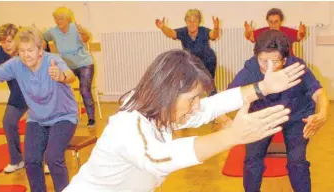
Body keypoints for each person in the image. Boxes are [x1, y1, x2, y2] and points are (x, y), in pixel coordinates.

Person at [63, 48, 306, 192]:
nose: (196, 105)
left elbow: (209, 107)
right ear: (168, 92)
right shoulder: (128, 125)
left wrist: (263, 87)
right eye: (192, 98)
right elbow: (159, 158)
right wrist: (232, 136)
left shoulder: (158, 109)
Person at [228, 30, 329, 192]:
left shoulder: (296, 66)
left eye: (274, 62)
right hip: (263, 117)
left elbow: (319, 93)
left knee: (297, 161)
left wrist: (322, 114)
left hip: (296, 117)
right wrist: (224, 119)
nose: (267, 67)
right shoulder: (252, 68)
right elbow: (231, 95)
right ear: (256, 57)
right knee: (252, 160)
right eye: (262, 60)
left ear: (285, 59)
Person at [0, 26, 78, 192]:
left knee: (53, 158)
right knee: (30, 160)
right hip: (37, 118)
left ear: (40, 50)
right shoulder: (16, 64)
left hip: (63, 116)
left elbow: (70, 76)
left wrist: (61, 76)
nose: (25, 55)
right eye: (21, 51)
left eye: (30, 50)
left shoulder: (53, 60)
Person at [43, 6, 96, 127]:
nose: (58, 21)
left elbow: (86, 39)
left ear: (68, 19)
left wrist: (83, 32)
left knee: (84, 90)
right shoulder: (52, 31)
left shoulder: (75, 28)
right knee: (61, 89)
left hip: (84, 63)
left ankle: (91, 119)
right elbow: (40, 39)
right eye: (56, 19)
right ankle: (64, 117)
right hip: (67, 66)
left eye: (61, 18)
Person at [0, 23, 28, 173]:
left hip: (38, 95)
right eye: (2, 41)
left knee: (41, 127)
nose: (5, 45)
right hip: (18, 96)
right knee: (8, 122)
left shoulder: (27, 49)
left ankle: (49, 161)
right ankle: (17, 160)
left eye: (9, 41)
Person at [155, 8, 219, 94]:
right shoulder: (183, 32)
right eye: (189, 21)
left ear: (199, 22)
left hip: (207, 61)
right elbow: (171, 33)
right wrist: (163, 27)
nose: (192, 24)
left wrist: (216, 27)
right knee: (189, 84)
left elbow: (213, 35)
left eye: (194, 21)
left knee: (209, 84)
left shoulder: (203, 31)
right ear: (186, 22)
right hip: (191, 62)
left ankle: (212, 97)